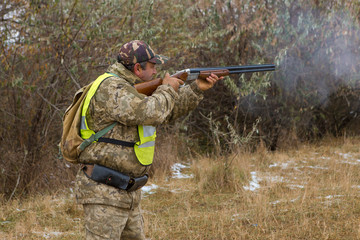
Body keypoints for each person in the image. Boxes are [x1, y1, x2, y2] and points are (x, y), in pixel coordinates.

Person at [74, 40, 221, 239]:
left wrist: (196, 89)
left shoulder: (129, 88)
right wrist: (167, 88)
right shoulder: (112, 88)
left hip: (128, 191)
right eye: (152, 67)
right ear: (137, 68)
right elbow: (150, 113)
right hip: (105, 195)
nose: (155, 72)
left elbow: (166, 111)